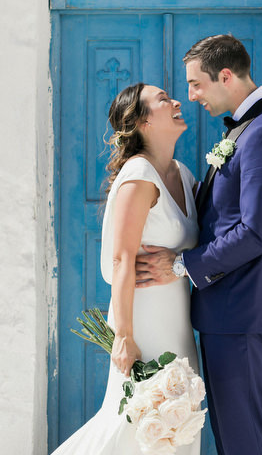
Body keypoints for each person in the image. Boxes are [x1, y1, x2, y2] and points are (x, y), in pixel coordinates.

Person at [136, 35, 262, 455]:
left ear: (225, 76)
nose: (190, 97)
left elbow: (257, 233)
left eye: (196, 84)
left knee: (242, 440)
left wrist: (180, 266)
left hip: (241, 313)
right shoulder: (246, 131)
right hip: (226, 313)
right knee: (232, 438)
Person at [52, 83, 201, 454]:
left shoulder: (182, 174)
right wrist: (124, 336)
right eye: (164, 100)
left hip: (176, 323)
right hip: (144, 323)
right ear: (141, 122)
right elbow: (121, 257)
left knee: (177, 427)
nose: (177, 101)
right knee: (135, 425)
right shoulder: (139, 174)